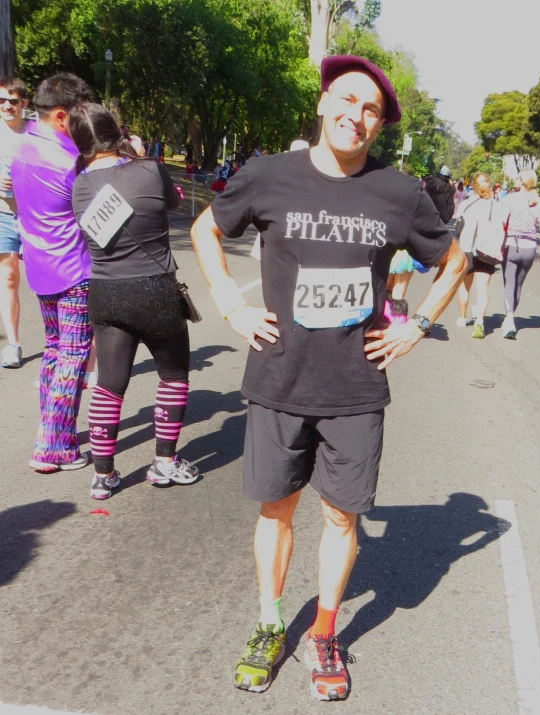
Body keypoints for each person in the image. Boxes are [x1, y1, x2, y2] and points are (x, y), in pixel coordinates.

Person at [191, 54, 466, 701]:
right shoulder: (268, 176)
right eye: (347, 100)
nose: (356, 115)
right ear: (322, 104)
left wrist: (418, 324)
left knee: (342, 519)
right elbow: (206, 227)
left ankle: (323, 632)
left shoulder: (398, 192)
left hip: (355, 387)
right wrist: (231, 303)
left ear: (379, 125)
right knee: (276, 509)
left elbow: (452, 260)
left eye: (370, 109)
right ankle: (268, 622)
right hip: (280, 378)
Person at [69, 102, 200, 499]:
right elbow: (174, 204)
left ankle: (104, 474)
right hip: (155, 291)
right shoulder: (149, 169)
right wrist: (141, 157)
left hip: (106, 292)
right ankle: (163, 462)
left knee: (109, 385)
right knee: (173, 376)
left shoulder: (77, 186)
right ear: (117, 132)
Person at [10, 73, 93, 472]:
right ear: (61, 117)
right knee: (73, 356)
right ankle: (51, 445)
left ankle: (56, 429)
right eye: (79, 115)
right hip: (74, 269)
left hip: (39, 266)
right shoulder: (70, 162)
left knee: (55, 352)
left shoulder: (21, 148)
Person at [500, 169, 540, 339]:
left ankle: (509, 319)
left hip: (512, 245)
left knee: (509, 284)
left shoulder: (510, 199)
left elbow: (502, 223)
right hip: (530, 248)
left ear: (521, 182)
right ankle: (510, 317)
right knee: (518, 285)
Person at [0, 77, 29, 369]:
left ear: (24, 103)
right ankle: (13, 345)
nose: (7, 106)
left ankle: (61, 343)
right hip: (2, 214)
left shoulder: (35, 134)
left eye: (13, 100)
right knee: (9, 278)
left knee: (46, 279)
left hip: (34, 216)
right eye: (2, 101)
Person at [455, 172, 503, 338]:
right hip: (486, 250)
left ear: (473, 185)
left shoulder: (466, 204)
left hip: (466, 249)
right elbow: (500, 229)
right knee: (482, 288)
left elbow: (458, 226)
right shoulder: (496, 206)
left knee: (464, 286)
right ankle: (480, 322)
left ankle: (462, 318)